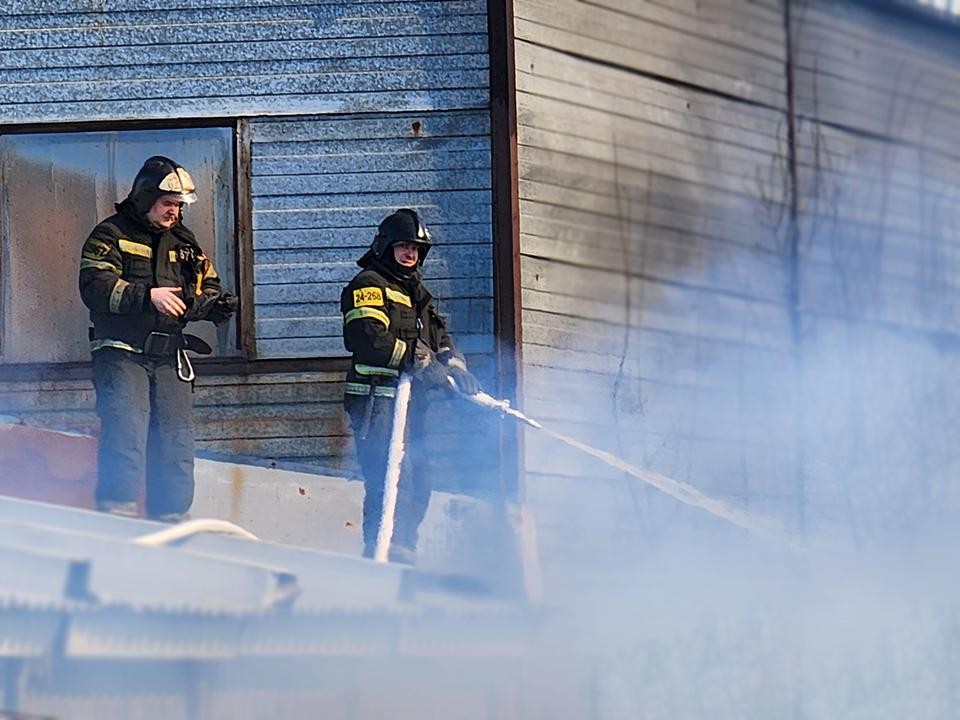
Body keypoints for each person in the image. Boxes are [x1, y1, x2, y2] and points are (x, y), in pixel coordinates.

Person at [79, 155, 238, 521]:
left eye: (179, 206)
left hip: (169, 357)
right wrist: (147, 295)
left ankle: (172, 520)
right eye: (169, 204)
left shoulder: (184, 241)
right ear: (146, 197)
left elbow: (206, 284)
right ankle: (117, 514)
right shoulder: (110, 235)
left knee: (175, 441)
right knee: (126, 431)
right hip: (121, 354)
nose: (175, 213)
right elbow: (94, 286)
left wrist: (210, 305)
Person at [341, 208, 481, 564]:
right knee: (390, 482)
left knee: (419, 483)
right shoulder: (368, 286)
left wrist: (456, 368)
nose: (411, 254)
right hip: (378, 404)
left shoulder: (418, 294)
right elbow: (370, 339)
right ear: (387, 246)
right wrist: (423, 364)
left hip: (412, 406)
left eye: (417, 248)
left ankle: (404, 550)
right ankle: (381, 553)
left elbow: (441, 340)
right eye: (404, 246)